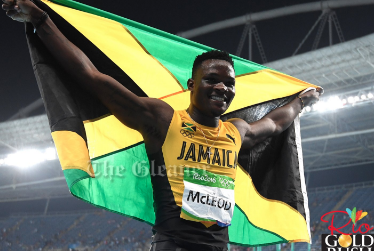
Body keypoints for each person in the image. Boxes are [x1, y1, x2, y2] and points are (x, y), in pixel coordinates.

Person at [2, 1, 322, 250]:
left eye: (229, 83)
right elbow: (93, 78)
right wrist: (42, 21)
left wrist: (301, 102)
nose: (222, 88)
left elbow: (275, 122)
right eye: (211, 79)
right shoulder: (163, 120)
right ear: (191, 84)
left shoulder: (236, 132)